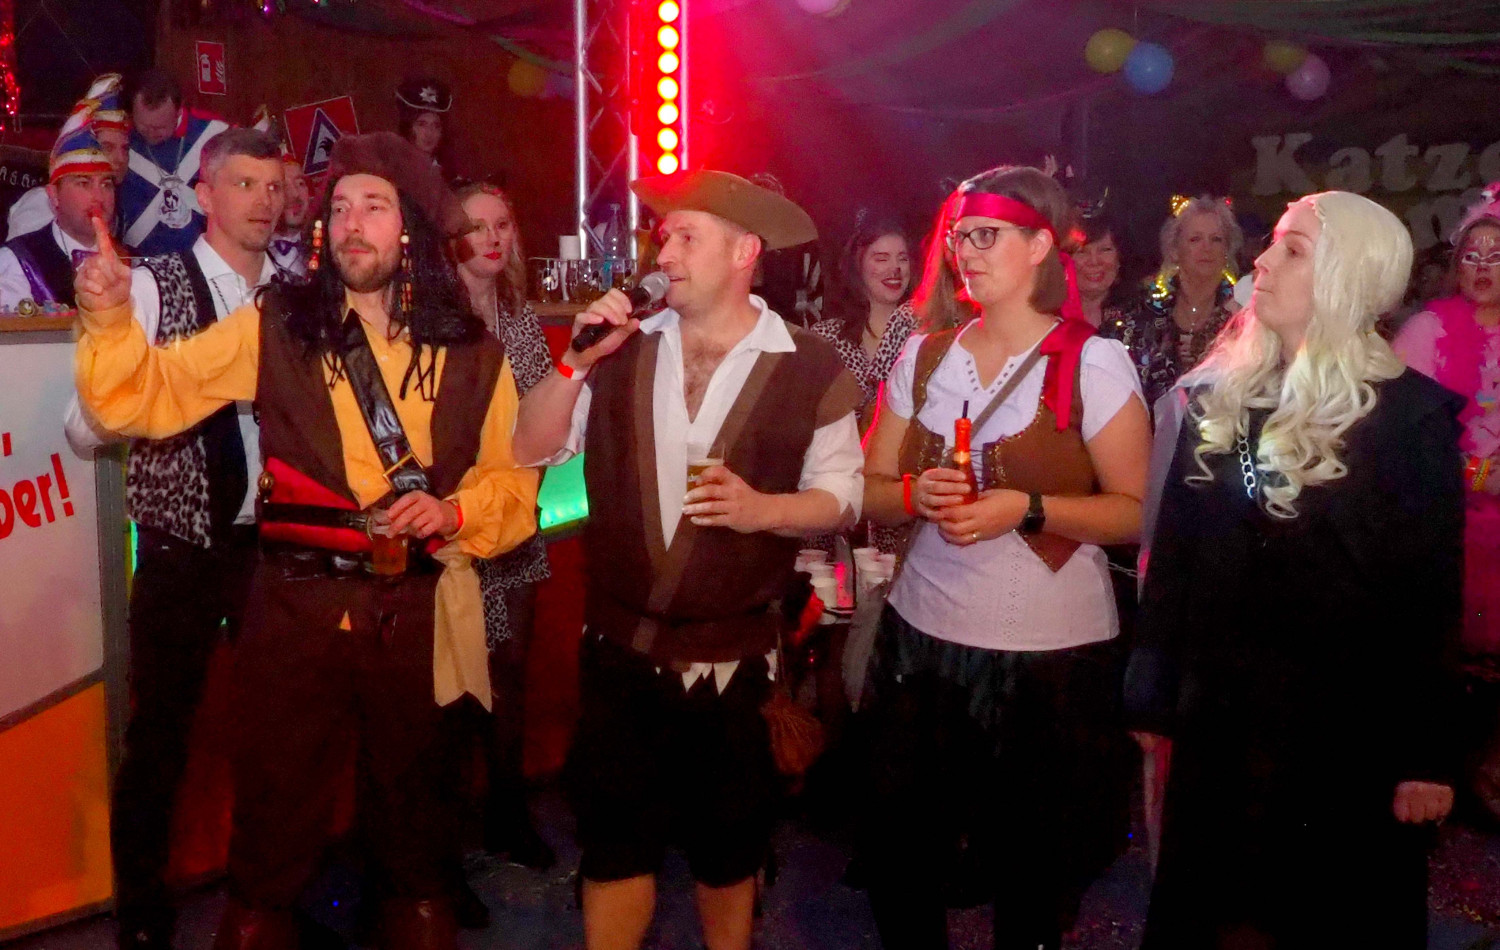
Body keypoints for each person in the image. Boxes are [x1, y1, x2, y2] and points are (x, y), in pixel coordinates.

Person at [74, 130, 539, 950]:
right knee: (271, 836)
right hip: (292, 612)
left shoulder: (476, 354)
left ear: (410, 230)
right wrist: (110, 314)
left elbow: (511, 487)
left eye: (375, 206)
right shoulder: (277, 325)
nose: (351, 222)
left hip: (418, 614)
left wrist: (455, 514)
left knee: (417, 841)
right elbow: (141, 397)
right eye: (341, 206)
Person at [511, 169, 863, 950]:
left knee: (728, 856)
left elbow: (843, 497)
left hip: (736, 662)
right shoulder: (621, 348)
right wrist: (574, 362)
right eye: (662, 236)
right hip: (619, 653)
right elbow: (527, 447)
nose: (662, 253)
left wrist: (764, 510)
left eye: (685, 237)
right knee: (614, 849)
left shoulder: (810, 363)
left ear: (744, 252)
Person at [1127, 191, 1462, 948]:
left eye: (1294, 249)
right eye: (1274, 243)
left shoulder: (1409, 419)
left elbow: (1428, 599)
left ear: (1349, 277)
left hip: (1344, 741)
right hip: (1221, 727)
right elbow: (1175, 556)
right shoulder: (1219, 398)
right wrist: (1151, 687)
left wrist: (1425, 757)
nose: (1264, 262)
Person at [858, 165, 1148, 950]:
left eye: (986, 236)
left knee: (1034, 871)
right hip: (922, 639)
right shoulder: (924, 355)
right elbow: (871, 489)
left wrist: (1027, 508)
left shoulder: (1092, 361)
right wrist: (915, 494)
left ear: (1041, 246)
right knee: (901, 857)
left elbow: (1135, 511)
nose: (966, 252)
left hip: (1049, 654)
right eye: (959, 237)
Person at [62, 127, 285, 950]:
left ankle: (264, 903)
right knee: (160, 735)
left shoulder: (295, 296)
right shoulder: (153, 284)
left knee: (279, 733)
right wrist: (150, 390)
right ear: (204, 194)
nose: (263, 200)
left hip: (278, 546)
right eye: (245, 184)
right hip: (182, 546)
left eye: (274, 186)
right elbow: (82, 426)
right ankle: (142, 914)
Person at [450, 181, 556, 884]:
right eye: (477, 226)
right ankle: (446, 846)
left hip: (514, 522)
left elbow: (547, 408)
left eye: (503, 224)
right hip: (451, 525)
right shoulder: (429, 315)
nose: (493, 238)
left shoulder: (518, 317)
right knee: (454, 683)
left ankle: (508, 813)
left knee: (509, 673)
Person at [1394, 185, 1500, 659]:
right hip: (1446, 528)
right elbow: (1398, 440)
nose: (1482, 267)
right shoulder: (1425, 331)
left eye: (1496, 256)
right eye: (1471, 256)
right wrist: (1475, 473)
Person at [1111, 194, 1242, 407]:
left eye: (1216, 239)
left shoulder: (1245, 315)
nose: (1207, 248)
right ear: (1174, 250)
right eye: (1195, 239)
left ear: (1227, 250)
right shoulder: (1141, 312)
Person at [0, 95, 116, 310]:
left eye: (106, 184)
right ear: (54, 196)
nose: (99, 196)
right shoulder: (19, 262)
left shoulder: (131, 260)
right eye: (84, 183)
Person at [811, 209, 915, 432]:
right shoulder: (826, 338)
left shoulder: (926, 334)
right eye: (881, 258)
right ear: (857, 265)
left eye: (903, 258)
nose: (895, 268)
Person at [118, 68, 230, 257]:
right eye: (143, 125)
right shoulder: (121, 138)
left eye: (159, 127)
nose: (151, 132)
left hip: (201, 260)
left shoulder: (216, 135)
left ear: (179, 112)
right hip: (137, 261)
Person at [7, 73, 130, 240]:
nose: (120, 158)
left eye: (125, 149)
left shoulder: (117, 208)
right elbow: (24, 253)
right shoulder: (41, 204)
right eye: (107, 147)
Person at [1076, 213, 1124, 330]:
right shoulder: (1045, 315)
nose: (1094, 261)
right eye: (1082, 251)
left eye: (1105, 250)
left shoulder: (1146, 313)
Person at [397, 77, 453, 177]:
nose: (429, 133)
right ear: (409, 127)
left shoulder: (449, 175)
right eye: (422, 124)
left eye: (436, 126)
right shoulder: (394, 170)